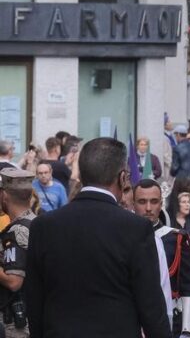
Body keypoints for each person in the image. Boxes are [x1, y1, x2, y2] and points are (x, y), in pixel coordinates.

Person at [24, 137, 171, 338]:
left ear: (82, 174)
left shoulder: (43, 226)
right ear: (121, 178)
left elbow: (34, 299)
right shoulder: (136, 228)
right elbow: (151, 305)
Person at [134, 178, 190, 338]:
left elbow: (189, 286)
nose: (148, 208)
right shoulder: (122, 237)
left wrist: (188, 331)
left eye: (154, 201)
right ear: (133, 203)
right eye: (142, 202)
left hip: (169, 321)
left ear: (161, 203)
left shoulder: (176, 239)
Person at [0, 168, 35, 338]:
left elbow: (14, 282)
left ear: (4, 196)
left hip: (16, 322)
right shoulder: (36, 222)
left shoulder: (17, 230)